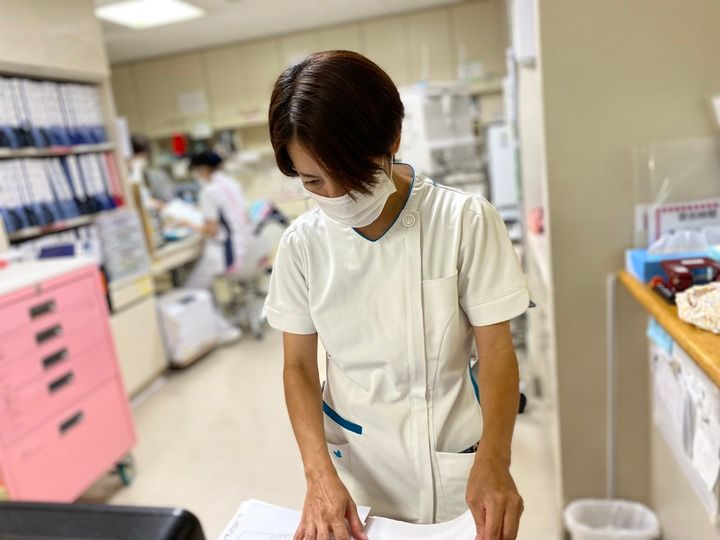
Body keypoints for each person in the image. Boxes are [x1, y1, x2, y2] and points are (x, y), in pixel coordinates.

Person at [265, 51, 529, 540]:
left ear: (392, 139)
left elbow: (497, 350)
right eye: (312, 181)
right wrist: (317, 474)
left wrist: (496, 459)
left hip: (452, 458)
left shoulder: (464, 220)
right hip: (354, 466)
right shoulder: (302, 244)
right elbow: (297, 366)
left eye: (349, 174)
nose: (336, 195)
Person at [185, 150, 252, 342]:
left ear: (204, 169)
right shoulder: (232, 184)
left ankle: (224, 330)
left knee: (193, 290)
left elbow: (212, 230)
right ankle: (216, 326)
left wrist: (188, 224)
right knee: (205, 287)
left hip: (224, 253)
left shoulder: (209, 191)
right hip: (244, 247)